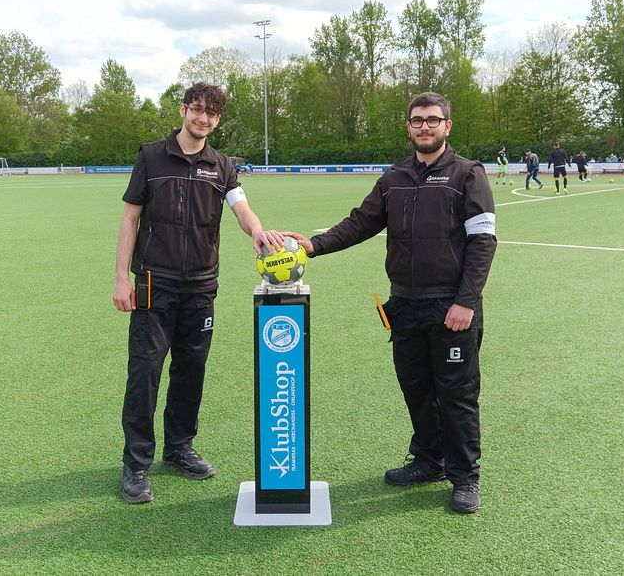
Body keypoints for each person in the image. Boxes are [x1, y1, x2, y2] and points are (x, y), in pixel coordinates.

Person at [284, 92, 497, 514]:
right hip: (405, 306)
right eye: (417, 120)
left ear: (447, 126)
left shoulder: (467, 175)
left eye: (433, 120)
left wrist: (466, 302)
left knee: (457, 395)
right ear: (409, 127)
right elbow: (360, 222)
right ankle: (428, 460)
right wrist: (313, 246)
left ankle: (465, 476)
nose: (425, 127)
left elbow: (483, 242)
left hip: (451, 308)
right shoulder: (394, 178)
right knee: (416, 390)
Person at [113, 82, 283, 504]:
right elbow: (130, 219)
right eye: (197, 110)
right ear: (183, 109)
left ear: (217, 120)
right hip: (154, 283)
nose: (202, 118)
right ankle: (136, 463)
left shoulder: (223, 166)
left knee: (191, 369)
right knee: (145, 372)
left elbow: (242, 210)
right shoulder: (151, 157)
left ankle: (179, 448)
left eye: (211, 113)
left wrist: (258, 231)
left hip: (201, 286)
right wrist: (121, 277)